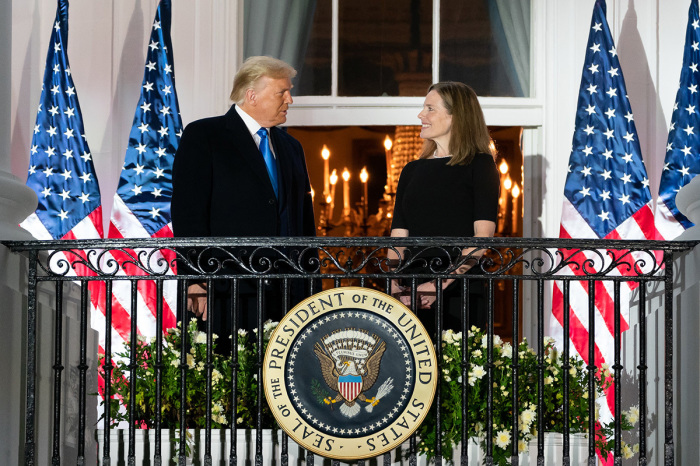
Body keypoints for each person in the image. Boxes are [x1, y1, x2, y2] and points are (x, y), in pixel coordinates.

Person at [171, 56, 316, 351]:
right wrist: (195, 280)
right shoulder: (205, 136)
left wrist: (310, 286)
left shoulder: (291, 147)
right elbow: (188, 213)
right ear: (252, 95)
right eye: (282, 92)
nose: (290, 99)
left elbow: (304, 220)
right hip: (225, 288)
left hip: (286, 292)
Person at [389, 81, 500, 336]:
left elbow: (482, 238)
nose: (421, 115)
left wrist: (438, 285)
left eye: (430, 109)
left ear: (455, 117)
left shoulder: (480, 165)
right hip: (411, 290)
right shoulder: (411, 170)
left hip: (460, 288)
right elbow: (397, 235)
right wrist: (394, 282)